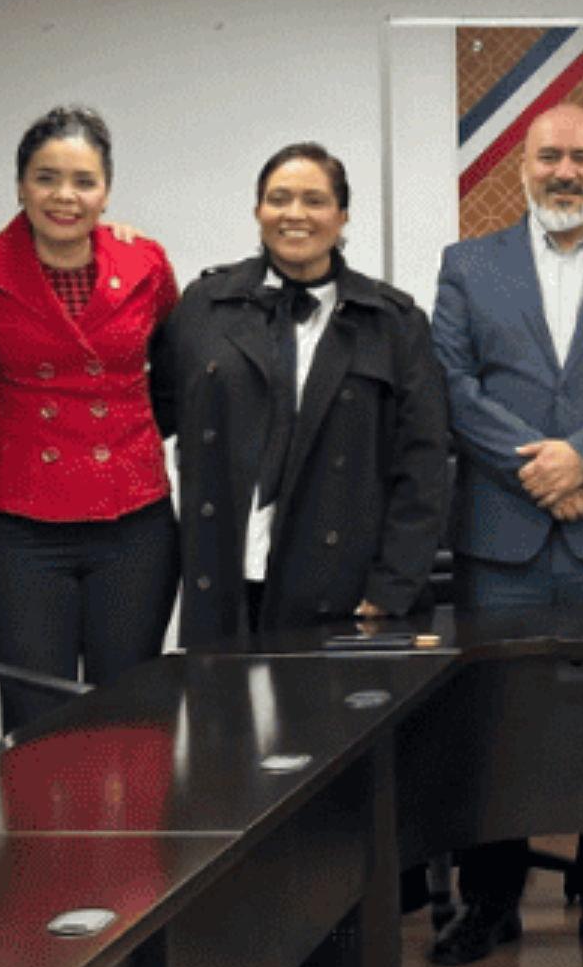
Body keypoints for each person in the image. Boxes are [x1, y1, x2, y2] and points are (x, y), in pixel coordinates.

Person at [429, 103, 583, 967]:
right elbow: (452, 386)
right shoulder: (470, 265)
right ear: (522, 167)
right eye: (549, 157)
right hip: (501, 540)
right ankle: (489, 902)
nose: (564, 171)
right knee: (491, 724)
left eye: (581, 156)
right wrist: (536, 467)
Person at [149, 142, 449, 648]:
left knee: (325, 726)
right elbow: (149, 413)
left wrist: (394, 584)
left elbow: (423, 464)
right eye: (278, 198)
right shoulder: (205, 305)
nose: (295, 214)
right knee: (224, 724)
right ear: (258, 210)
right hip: (225, 579)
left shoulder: (394, 323)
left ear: (342, 215)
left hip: (342, 591)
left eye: (314, 200)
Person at [0, 106, 180, 731]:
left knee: (128, 712)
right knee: (34, 718)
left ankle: (132, 834)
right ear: (20, 185)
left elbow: (178, 370)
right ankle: (40, 836)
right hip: (25, 526)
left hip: (134, 520)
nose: (64, 196)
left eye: (84, 181)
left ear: (106, 192)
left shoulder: (147, 264)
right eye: (47, 178)